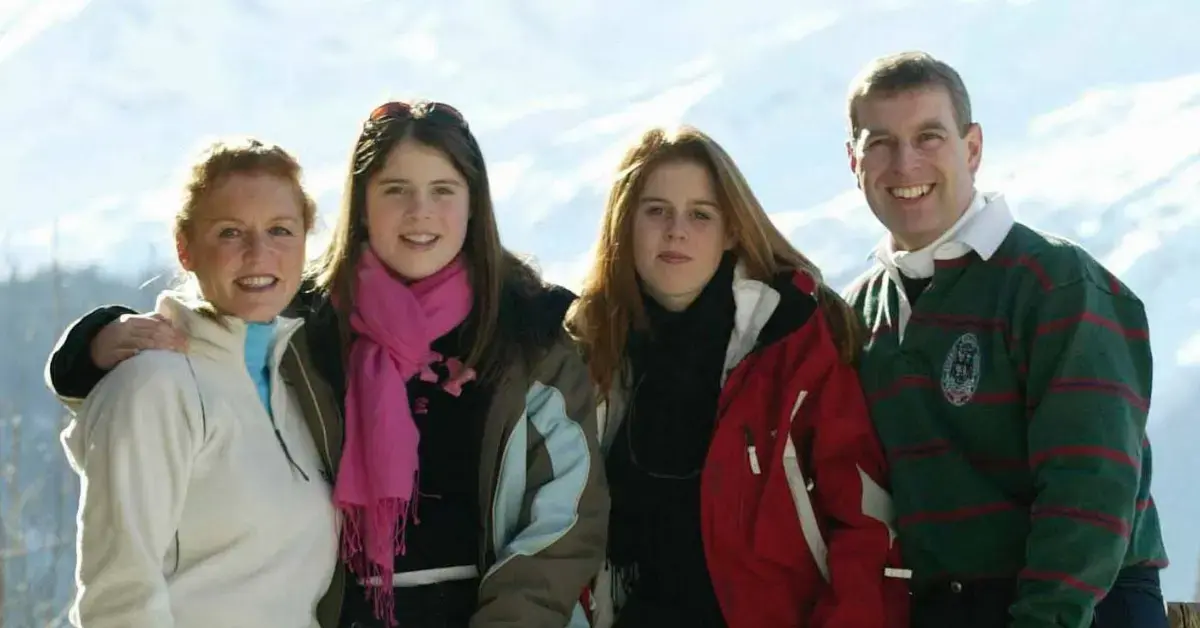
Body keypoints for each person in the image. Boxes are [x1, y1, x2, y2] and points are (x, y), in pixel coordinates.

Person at [43, 101, 609, 628]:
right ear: (361, 204)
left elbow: (563, 523)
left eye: (443, 190)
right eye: (395, 190)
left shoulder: (527, 336)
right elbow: (207, 333)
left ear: (474, 202)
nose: (420, 213)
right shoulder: (308, 325)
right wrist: (90, 348)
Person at [842, 51, 1169, 628]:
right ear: (853, 160)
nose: (905, 162)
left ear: (972, 149)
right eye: (880, 143)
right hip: (942, 607)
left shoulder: (1056, 282)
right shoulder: (857, 313)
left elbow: (1089, 487)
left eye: (928, 137)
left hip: (1083, 607)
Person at [567, 125, 910, 628]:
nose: (676, 230)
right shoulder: (584, 354)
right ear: (625, 223)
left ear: (731, 229)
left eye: (700, 214)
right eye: (656, 210)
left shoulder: (793, 338)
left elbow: (865, 524)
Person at [56, 138, 340, 628]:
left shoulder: (298, 386)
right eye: (231, 232)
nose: (259, 253)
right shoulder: (153, 385)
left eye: (280, 230)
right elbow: (118, 594)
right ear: (185, 248)